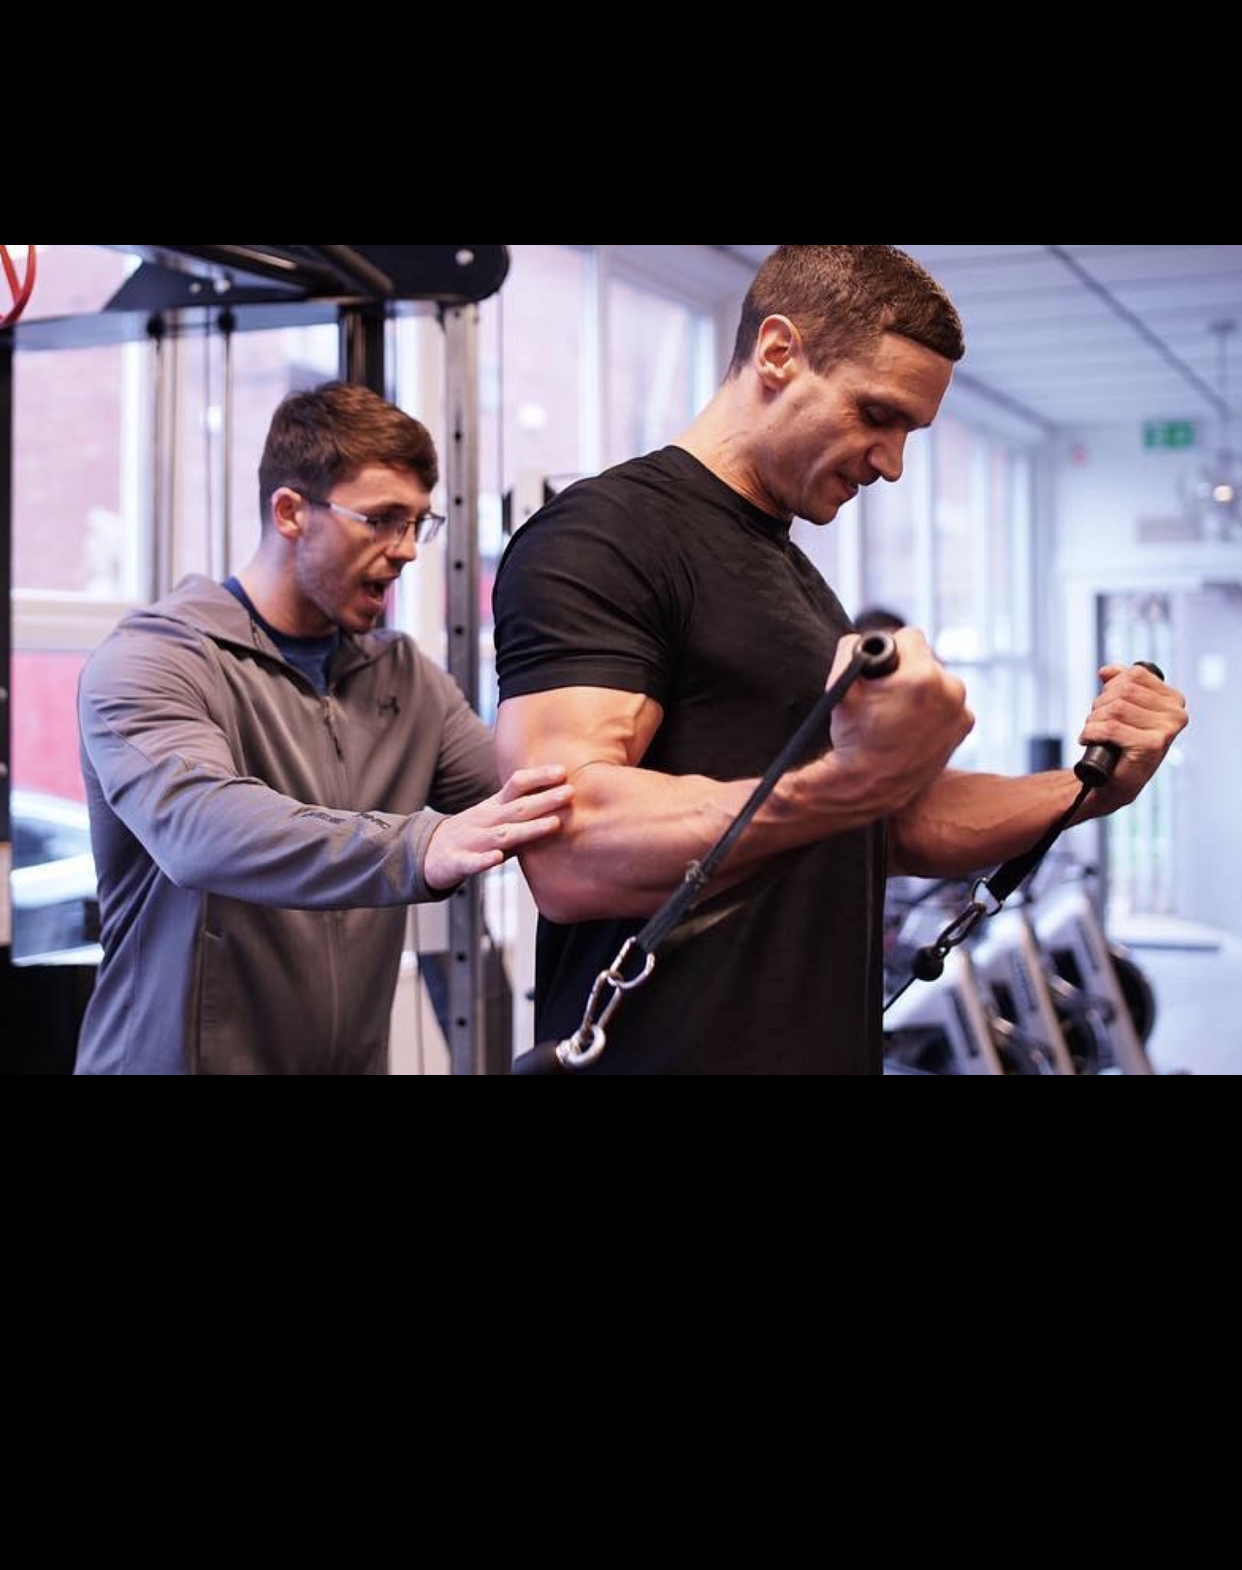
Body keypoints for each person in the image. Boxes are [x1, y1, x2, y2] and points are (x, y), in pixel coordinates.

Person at [492, 244, 1188, 1077]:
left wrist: (1088, 789)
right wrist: (852, 781)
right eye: (877, 415)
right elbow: (568, 853)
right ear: (778, 353)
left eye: (910, 434)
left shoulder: (794, 580)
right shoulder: (606, 535)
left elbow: (886, 824)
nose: (892, 464)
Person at [75, 382, 572, 1076]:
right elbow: (200, 829)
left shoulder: (405, 680)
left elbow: (530, 793)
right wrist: (421, 844)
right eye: (382, 519)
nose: (406, 550)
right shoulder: (154, 660)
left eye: (419, 524)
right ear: (289, 513)